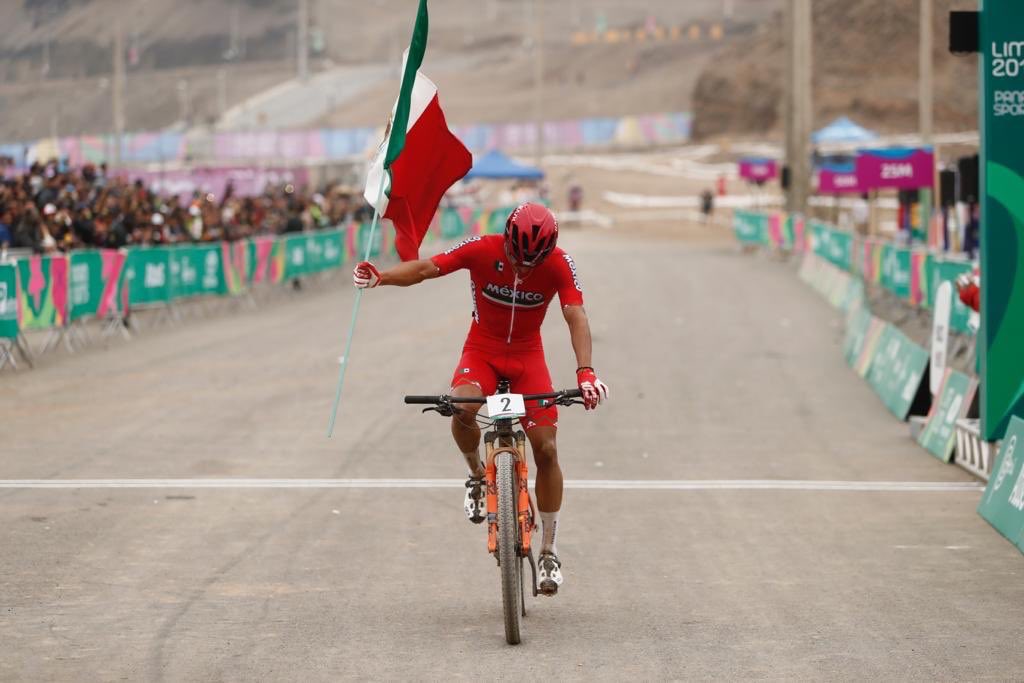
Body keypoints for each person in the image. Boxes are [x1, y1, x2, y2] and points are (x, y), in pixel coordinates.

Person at [352, 202, 609, 596]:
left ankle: (550, 550)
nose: (522, 270)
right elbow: (425, 268)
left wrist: (586, 373)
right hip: (482, 351)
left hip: (528, 357)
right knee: (463, 406)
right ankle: (476, 476)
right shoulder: (481, 248)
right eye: (516, 259)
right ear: (506, 239)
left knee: (546, 448)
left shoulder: (559, 263)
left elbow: (576, 314)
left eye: (531, 264)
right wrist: (381, 277)